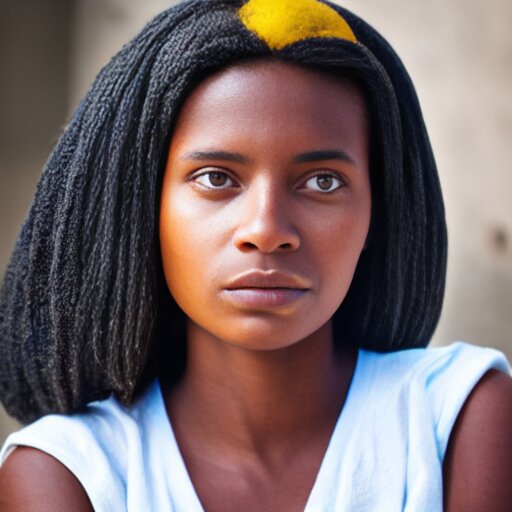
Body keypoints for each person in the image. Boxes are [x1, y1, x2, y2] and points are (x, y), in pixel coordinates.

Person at [0, 0, 511, 510]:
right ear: (143, 208)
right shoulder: (70, 474)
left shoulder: (458, 419)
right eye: (216, 178)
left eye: (323, 181)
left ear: (379, 212)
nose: (267, 231)